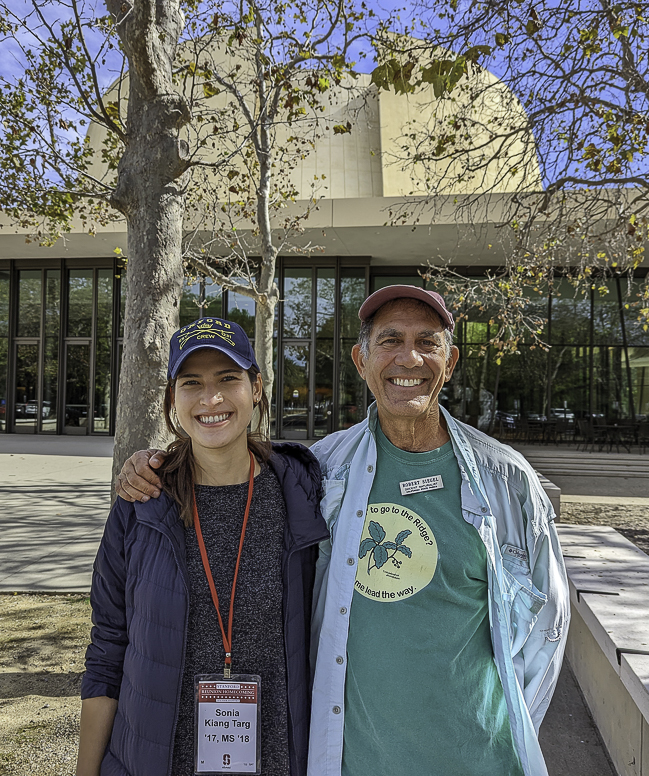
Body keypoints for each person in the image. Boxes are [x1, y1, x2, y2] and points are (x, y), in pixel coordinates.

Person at [117, 286, 570, 776]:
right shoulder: (324, 468)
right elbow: (226, 460)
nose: (408, 357)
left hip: (481, 757)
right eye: (390, 340)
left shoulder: (507, 480)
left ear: (451, 359)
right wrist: (152, 465)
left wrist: (517, 727)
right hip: (354, 760)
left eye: (427, 342)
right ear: (360, 359)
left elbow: (548, 625)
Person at [77, 316, 328, 776]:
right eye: (192, 383)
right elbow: (108, 646)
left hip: (278, 760)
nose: (210, 399)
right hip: (154, 761)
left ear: (256, 387)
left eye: (227, 379)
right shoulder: (141, 504)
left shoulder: (303, 491)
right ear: (173, 399)